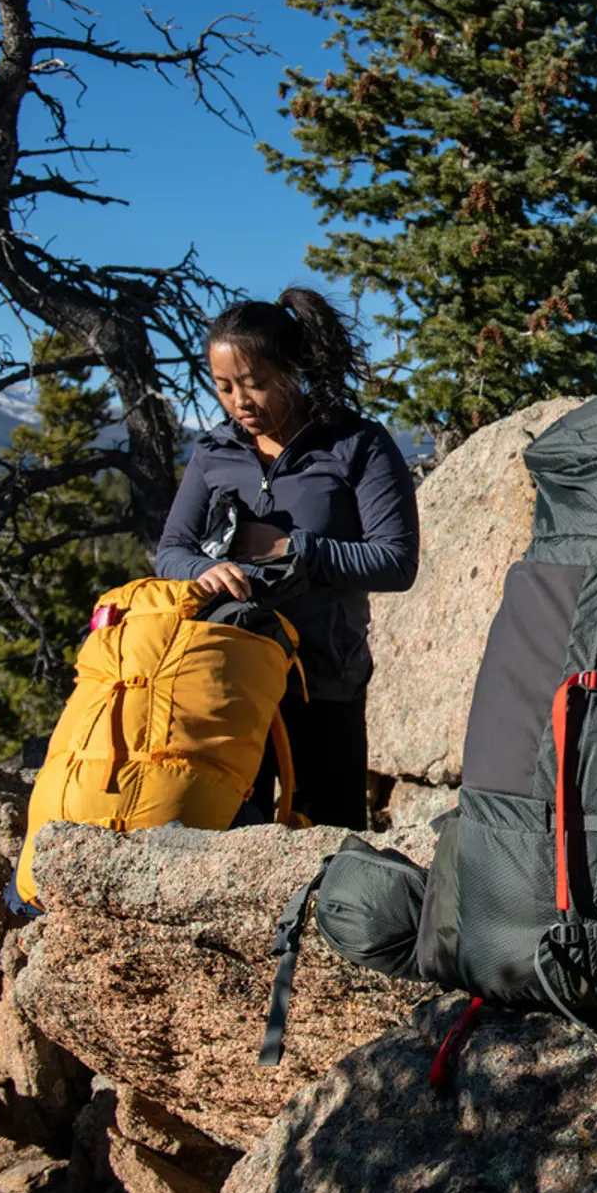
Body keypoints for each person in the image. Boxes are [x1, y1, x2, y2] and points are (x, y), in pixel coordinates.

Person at [155, 287, 420, 831]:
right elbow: (170, 553)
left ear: (294, 370)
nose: (240, 401)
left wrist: (293, 549)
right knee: (229, 834)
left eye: (254, 383)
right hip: (228, 678)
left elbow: (396, 562)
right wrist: (205, 570)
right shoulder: (214, 453)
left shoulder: (357, 445)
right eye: (224, 387)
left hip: (322, 681)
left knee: (331, 841)